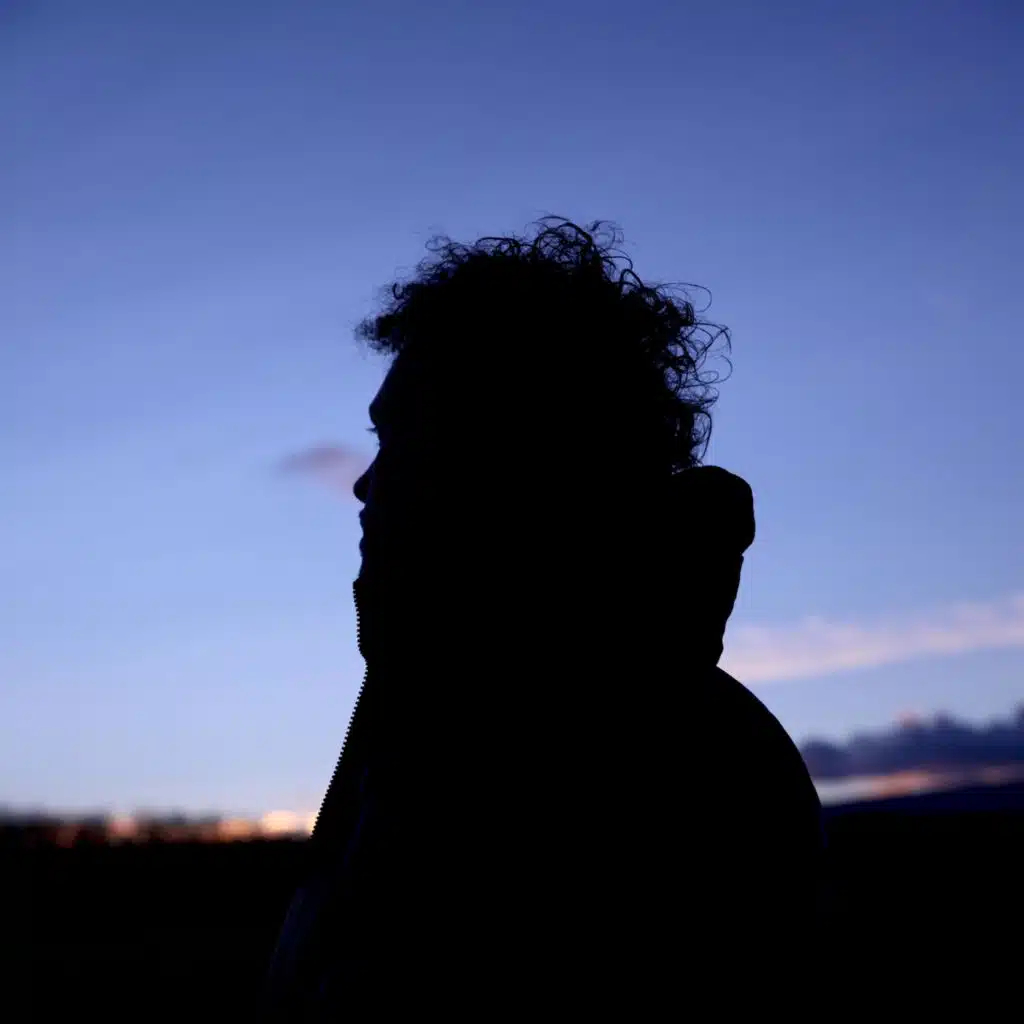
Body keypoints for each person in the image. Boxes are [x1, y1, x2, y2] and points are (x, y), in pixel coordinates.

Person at [263, 218, 825, 1017]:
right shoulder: (438, 715)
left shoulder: (653, 756)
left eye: (401, 439)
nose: (363, 484)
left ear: (506, 450)